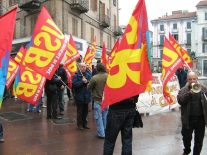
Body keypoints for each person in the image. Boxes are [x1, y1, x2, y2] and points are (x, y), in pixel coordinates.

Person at [177, 71, 207, 155]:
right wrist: (190, 93)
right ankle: (187, 150)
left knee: (199, 140)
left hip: (200, 119)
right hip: (188, 119)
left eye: (194, 79)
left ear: (197, 79)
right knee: (186, 138)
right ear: (187, 80)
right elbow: (180, 100)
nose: (192, 81)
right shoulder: (183, 90)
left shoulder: (203, 88)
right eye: (190, 79)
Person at [87, 63, 108, 138]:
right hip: (106, 100)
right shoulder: (108, 76)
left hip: (97, 100)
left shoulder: (95, 78)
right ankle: (106, 132)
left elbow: (88, 87)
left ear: (97, 69)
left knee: (99, 117)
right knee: (105, 117)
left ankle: (101, 134)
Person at [72, 62, 92, 130]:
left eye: (84, 66)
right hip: (80, 96)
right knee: (80, 112)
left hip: (87, 96)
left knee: (85, 112)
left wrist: (87, 81)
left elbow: (91, 83)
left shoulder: (88, 74)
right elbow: (74, 85)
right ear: (79, 67)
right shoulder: (76, 75)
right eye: (82, 67)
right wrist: (82, 82)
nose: (84, 68)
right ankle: (79, 125)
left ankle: (85, 124)